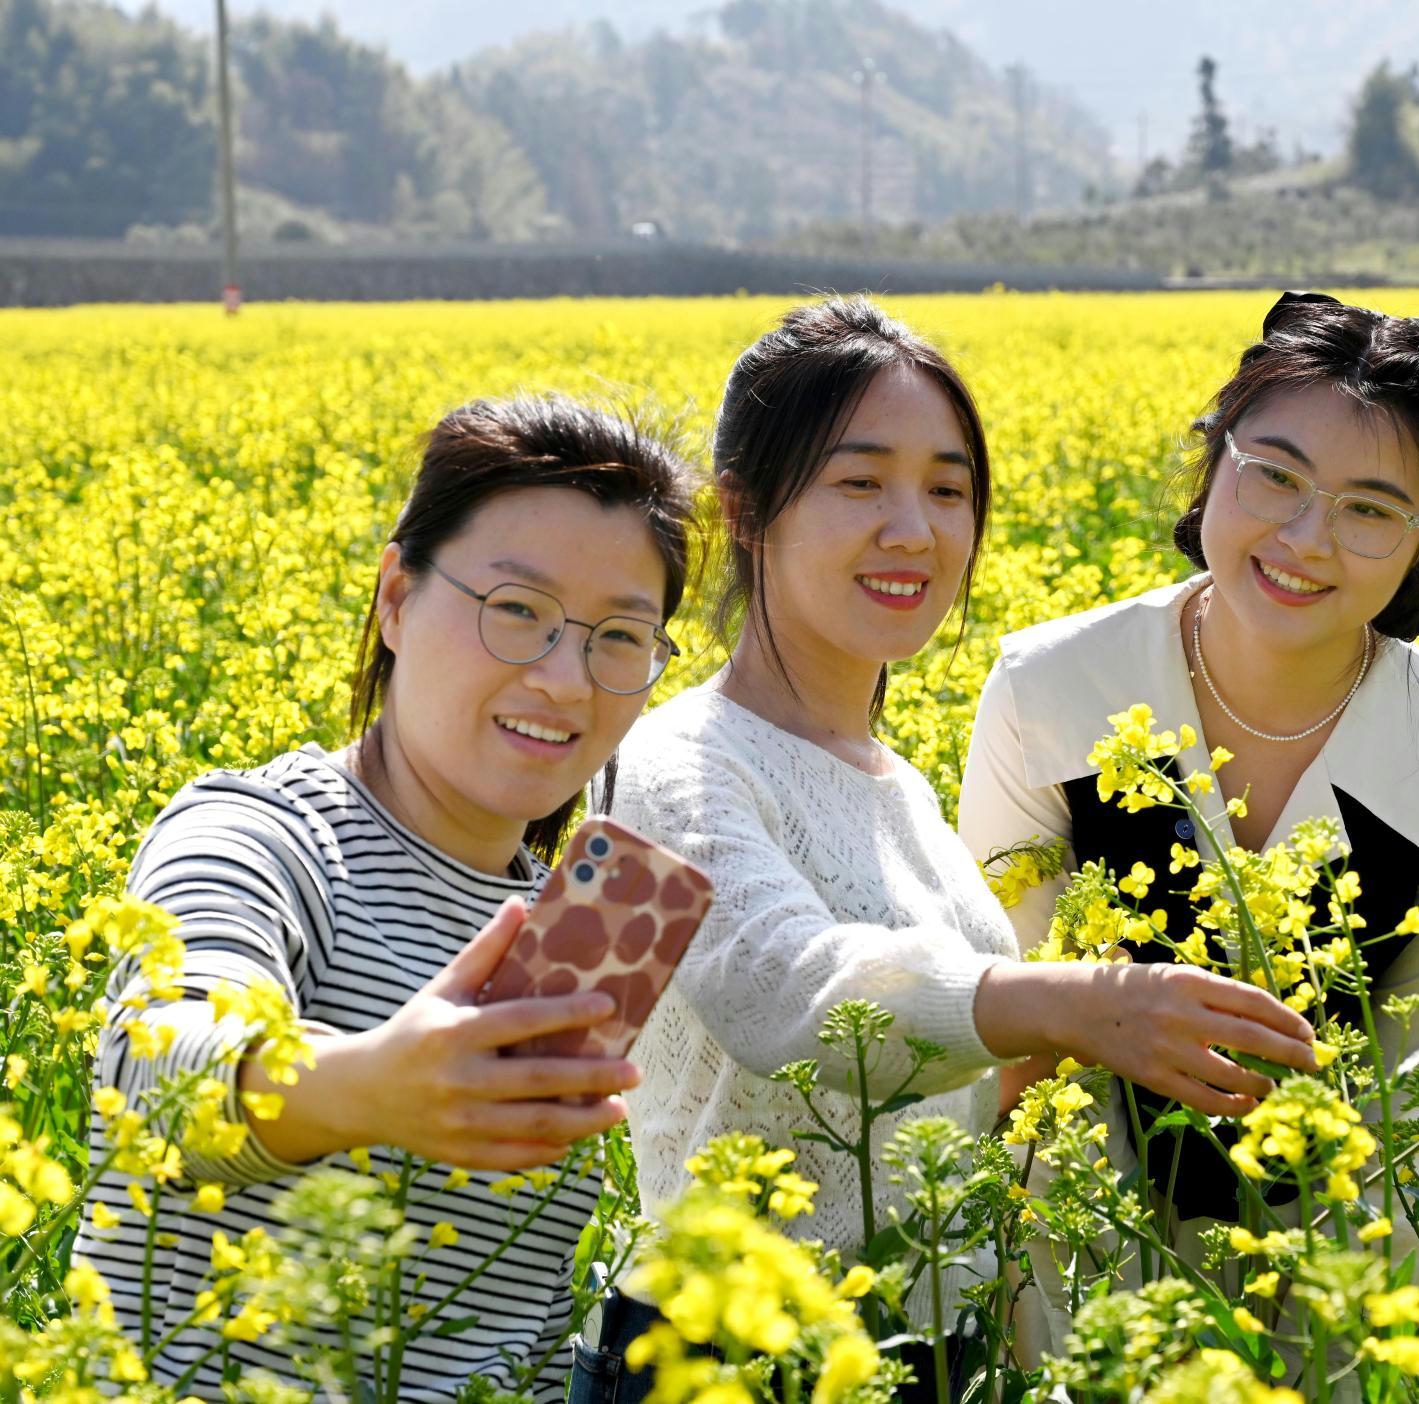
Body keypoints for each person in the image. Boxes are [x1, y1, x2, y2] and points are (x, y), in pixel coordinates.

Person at [599, 297, 1321, 1401]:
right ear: (744, 511)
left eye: (948, 489)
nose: (915, 530)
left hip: (917, 1352)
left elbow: (952, 1074)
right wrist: (1071, 1002)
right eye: (860, 483)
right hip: (724, 1359)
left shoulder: (900, 789)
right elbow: (784, 995)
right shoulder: (674, 762)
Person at [74, 394, 699, 1400]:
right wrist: (375, 1084)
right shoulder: (263, 836)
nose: (565, 681)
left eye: (620, 637)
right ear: (397, 599)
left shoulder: (562, 932)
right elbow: (160, 1079)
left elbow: (524, 1329)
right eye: (518, 612)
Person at [958, 291, 1419, 1363]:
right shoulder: (1052, 688)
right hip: (1078, 1227)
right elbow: (1011, 1021)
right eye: (1274, 474)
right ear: (1212, 464)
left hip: (1344, 1246)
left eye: (1370, 509)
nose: (1306, 538)